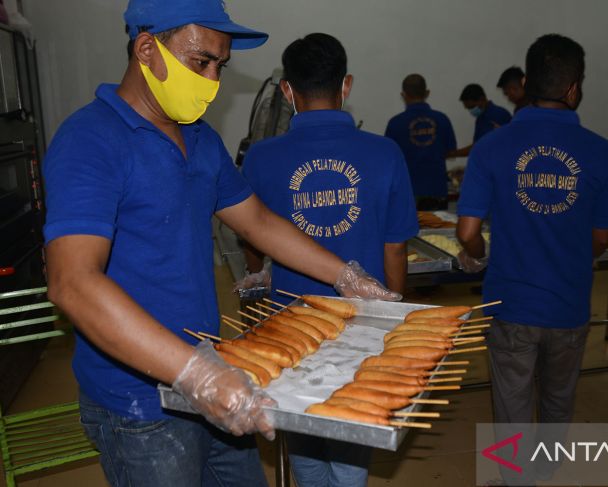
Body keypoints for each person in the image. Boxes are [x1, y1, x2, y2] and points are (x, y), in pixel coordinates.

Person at [42, 2, 399, 486]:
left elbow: (258, 222)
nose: (213, 79)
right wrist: (194, 375)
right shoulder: (90, 140)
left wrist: (344, 275)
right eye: (200, 62)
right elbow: (73, 284)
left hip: (217, 377)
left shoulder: (201, 140)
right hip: (141, 406)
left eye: (220, 65)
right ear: (147, 49)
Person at [242, 33, 419, 487]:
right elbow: (395, 246)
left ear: (287, 91)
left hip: (290, 322)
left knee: (301, 427)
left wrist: (259, 267)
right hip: (365, 323)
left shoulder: (260, 157)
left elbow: (252, 236)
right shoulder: (384, 152)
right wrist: (395, 313)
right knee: (352, 428)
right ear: (347, 86)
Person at [455, 34, 608, 484]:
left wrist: (478, 258)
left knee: (510, 401)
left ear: (526, 82)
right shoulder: (602, 152)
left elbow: (467, 232)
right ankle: (544, 471)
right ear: (574, 89)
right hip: (568, 304)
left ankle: (514, 480)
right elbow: (602, 238)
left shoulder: (492, 147)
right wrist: (568, 257)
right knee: (557, 396)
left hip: (510, 302)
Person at [385, 74, 456, 211]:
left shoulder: (395, 124)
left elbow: (389, 160)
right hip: (437, 191)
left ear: (403, 95)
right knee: (438, 230)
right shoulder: (442, 120)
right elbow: (450, 151)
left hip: (407, 193)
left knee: (409, 232)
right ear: (427, 93)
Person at [448, 83, 511, 158]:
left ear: (482, 99)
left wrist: (454, 153)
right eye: (468, 109)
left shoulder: (496, 115)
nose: (471, 111)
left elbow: (481, 146)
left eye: (472, 107)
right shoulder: (481, 117)